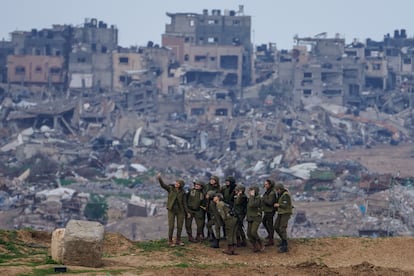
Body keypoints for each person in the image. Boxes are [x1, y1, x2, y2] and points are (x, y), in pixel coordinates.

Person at [156, 172, 186, 247]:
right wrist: (160, 179)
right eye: (176, 182)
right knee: (171, 226)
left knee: (180, 226)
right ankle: (170, 240)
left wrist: (187, 212)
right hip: (171, 210)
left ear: (181, 185)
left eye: (178, 183)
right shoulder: (170, 189)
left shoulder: (183, 192)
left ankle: (178, 240)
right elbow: (163, 185)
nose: (176, 184)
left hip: (180, 210)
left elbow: (184, 202)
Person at [274, 182, 293, 253]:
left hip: (285, 213)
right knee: (276, 226)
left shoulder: (285, 195)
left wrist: (278, 205)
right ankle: (283, 239)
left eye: (278, 190)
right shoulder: (281, 194)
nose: (277, 191)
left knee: (282, 227)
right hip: (281, 212)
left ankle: (285, 245)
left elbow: (285, 205)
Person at [246, 185, 264, 253]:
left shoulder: (258, 198)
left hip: (256, 217)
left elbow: (251, 205)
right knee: (248, 234)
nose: (249, 192)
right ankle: (255, 245)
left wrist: (252, 196)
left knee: (253, 232)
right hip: (250, 217)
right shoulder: (251, 198)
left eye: (251, 191)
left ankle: (260, 243)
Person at [261, 179, 277, 246]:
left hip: (270, 211)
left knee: (270, 225)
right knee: (264, 222)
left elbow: (270, 202)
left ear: (270, 185)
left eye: (266, 184)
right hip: (267, 210)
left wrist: (263, 198)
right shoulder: (268, 192)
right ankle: (270, 235)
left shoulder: (272, 193)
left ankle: (271, 240)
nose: (265, 185)